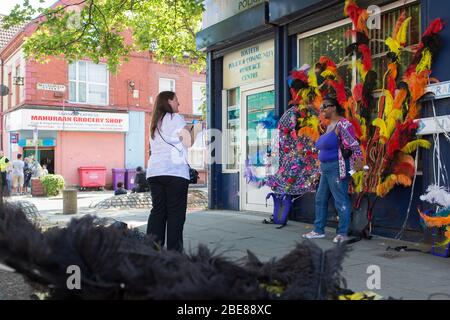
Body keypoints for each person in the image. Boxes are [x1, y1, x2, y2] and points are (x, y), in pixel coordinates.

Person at [302, 96, 363, 244]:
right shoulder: (328, 125)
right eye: (321, 108)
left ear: (334, 107)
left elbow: (353, 145)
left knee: (340, 198)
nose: (322, 110)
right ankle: (318, 230)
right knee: (320, 198)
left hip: (337, 167)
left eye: (325, 107)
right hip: (325, 168)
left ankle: (343, 232)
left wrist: (358, 162)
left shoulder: (343, 124)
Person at [146, 91, 197, 252]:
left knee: (158, 212)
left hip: (155, 172)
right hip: (175, 172)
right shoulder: (175, 118)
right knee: (175, 214)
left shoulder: (154, 122)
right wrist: (195, 129)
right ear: (168, 101)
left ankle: (152, 251)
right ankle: (174, 254)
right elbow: (188, 142)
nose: (179, 104)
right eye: (176, 100)